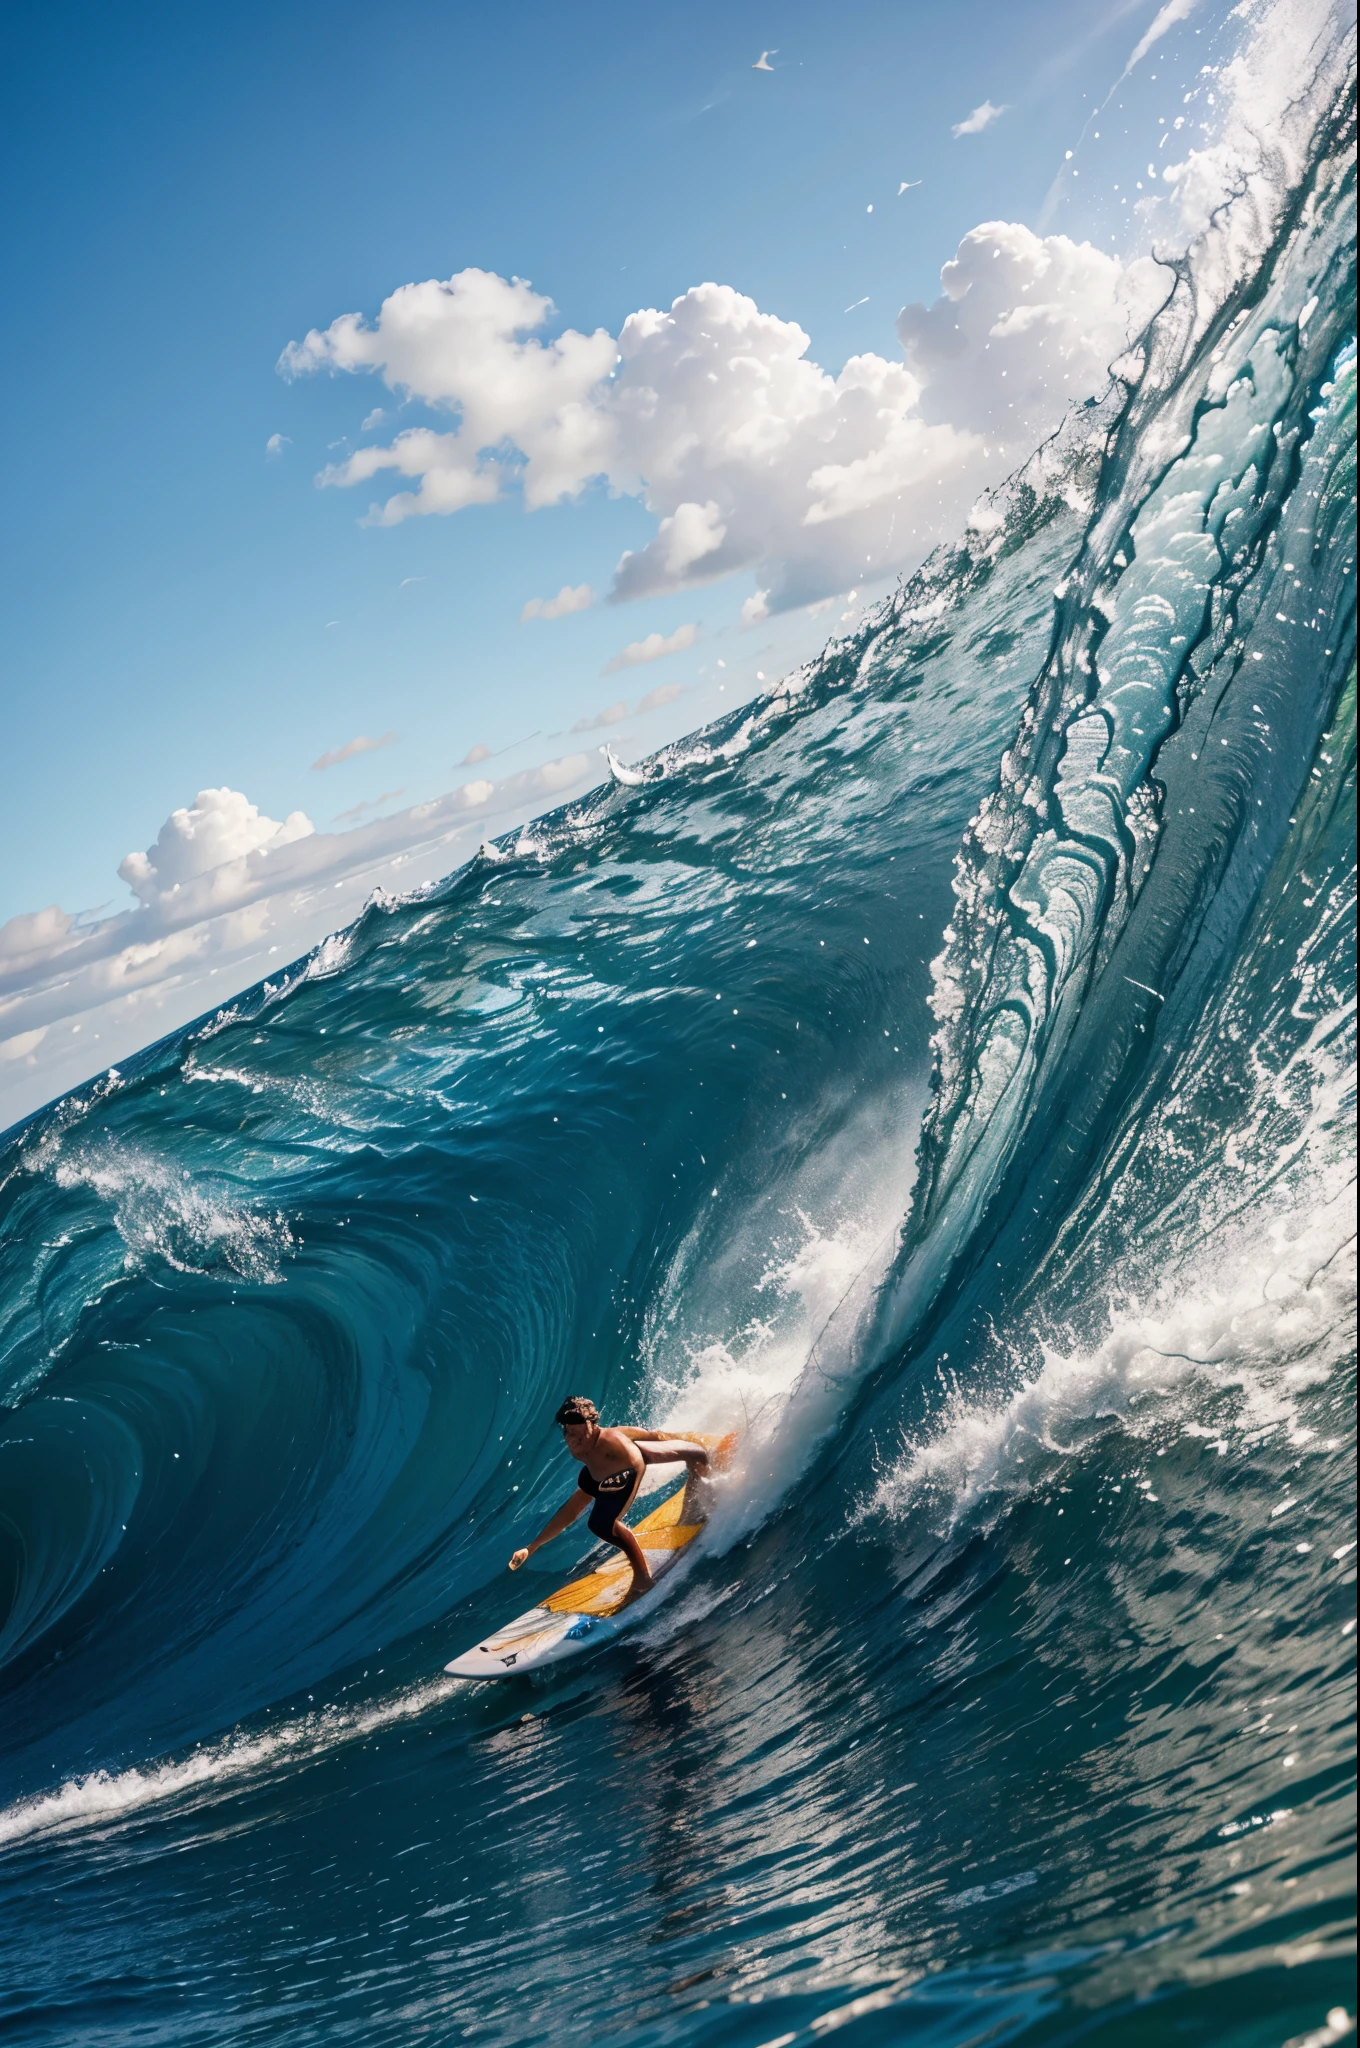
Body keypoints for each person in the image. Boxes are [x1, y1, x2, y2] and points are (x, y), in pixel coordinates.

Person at [508, 1395, 710, 1599]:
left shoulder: (612, 1442)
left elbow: (645, 1446)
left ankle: (643, 1580)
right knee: (579, 1507)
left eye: (577, 1432)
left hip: (630, 1465)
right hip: (601, 1474)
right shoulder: (586, 1445)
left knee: (602, 1523)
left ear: (592, 1424)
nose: (572, 1439)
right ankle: (697, 1466)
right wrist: (531, 1548)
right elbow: (571, 1510)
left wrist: (688, 1442)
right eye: (567, 1432)